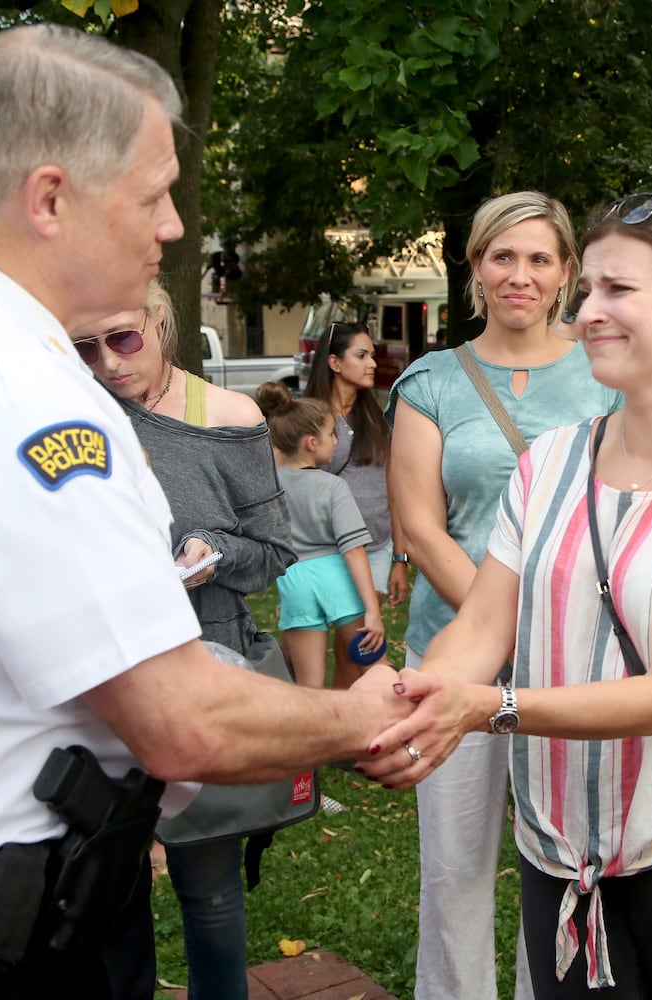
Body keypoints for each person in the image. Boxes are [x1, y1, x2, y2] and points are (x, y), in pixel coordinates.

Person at [0, 25, 410, 998]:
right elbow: (180, 723)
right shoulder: (19, 395)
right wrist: (357, 717)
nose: (169, 225)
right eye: (153, 194)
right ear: (50, 197)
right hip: (8, 935)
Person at [366, 193, 652, 999]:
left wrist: (485, 707)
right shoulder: (550, 462)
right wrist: (418, 691)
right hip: (556, 854)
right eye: (591, 293)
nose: (587, 313)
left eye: (618, 291)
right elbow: (481, 624)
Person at [385, 190, 621, 1000]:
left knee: (560, 858)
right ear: (477, 267)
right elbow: (420, 525)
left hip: (573, 660)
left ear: (564, 275)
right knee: (454, 866)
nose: (520, 274)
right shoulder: (431, 381)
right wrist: (506, 622)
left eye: (539, 259)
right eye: (503, 257)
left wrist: (544, 632)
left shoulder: (607, 375)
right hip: (453, 654)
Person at [72, 279, 293, 1000]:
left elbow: (273, 552)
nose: (108, 363)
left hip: (204, 658)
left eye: (123, 339)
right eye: (85, 348)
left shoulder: (227, 415)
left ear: (160, 321)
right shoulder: (65, 415)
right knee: (97, 888)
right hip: (93, 671)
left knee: (211, 893)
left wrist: (214, 552)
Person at [257, 381, 385, 688]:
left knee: (308, 685)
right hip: (337, 578)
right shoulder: (333, 488)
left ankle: (312, 734)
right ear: (312, 443)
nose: (336, 440)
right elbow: (353, 550)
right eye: (332, 434)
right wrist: (372, 609)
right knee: (376, 671)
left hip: (294, 581)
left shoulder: (271, 485)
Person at [303, 322, 408, 688]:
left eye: (372, 356)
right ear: (334, 362)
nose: (372, 364)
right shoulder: (309, 418)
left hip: (376, 547)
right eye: (361, 356)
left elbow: (393, 487)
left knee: (351, 650)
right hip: (327, 553)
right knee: (363, 649)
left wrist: (399, 556)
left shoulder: (377, 417)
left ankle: (347, 731)